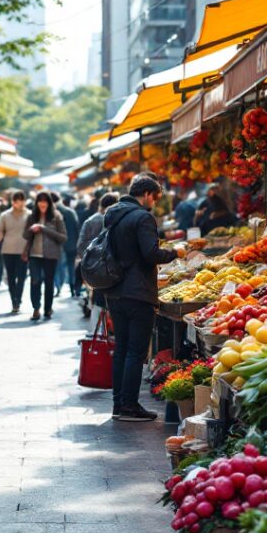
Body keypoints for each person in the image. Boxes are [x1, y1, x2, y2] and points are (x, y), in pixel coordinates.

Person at [99, 173, 182, 422]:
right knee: (136, 352)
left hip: (115, 291)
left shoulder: (113, 215)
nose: (154, 203)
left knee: (122, 349)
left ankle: (118, 404)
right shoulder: (142, 217)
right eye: (154, 198)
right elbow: (150, 253)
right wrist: (174, 252)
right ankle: (130, 406)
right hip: (138, 293)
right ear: (146, 195)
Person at [23, 191, 67, 321]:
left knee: (49, 283)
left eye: (45, 201)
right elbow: (25, 235)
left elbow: (63, 237)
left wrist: (44, 229)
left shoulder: (56, 216)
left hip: (51, 255)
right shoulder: (32, 216)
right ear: (37, 203)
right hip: (34, 254)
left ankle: (48, 309)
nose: (42, 203)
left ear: (49, 203)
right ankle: (36, 308)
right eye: (40, 201)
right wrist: (31, 229)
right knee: (35, 281)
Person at [76, 192, 120, 319]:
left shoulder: (90, 221)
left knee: (98, 300)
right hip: (112, 269)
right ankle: (106, 332)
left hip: (94, 270)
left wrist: (90, 261)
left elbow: (81, 246)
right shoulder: (114, 220)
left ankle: (98, 331)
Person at [0, 190, 30, 314]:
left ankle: (18, 299)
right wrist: (0, 235)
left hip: (24, 250)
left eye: (22, 201)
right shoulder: (4, 215)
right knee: (11, 276)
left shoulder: (29, 214)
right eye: (17, 201)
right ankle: (14, 301)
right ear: (12, 202)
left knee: (22, 276)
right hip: (8, 250)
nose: (20, 204)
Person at [54, 193, 80, 298]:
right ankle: (72, 288)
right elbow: (77, 228)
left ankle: (58, 287)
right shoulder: (70, 211)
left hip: (58, 244)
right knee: (70, 267)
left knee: (58, 267)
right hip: (71, 244)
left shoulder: (53, 213)